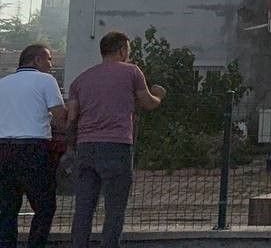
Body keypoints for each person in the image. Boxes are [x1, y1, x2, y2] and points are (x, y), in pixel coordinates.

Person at [66, 31, 166, 248]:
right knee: (115, 209)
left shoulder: (80, 80)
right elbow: (147, 103)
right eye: (127, 50)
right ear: (122, 50)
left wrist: (71, 148)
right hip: (116, 145)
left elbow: (72, 118)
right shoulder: (131, 72)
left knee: (83, 208)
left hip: (85, 146)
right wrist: (159, 94)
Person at [0, 44, 66, 248]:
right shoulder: (46, 80)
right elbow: (59, 117)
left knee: (7, 208)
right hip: (33, 149)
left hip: (3, 149)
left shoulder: (3, 83)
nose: (51, 65)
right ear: (37, 60)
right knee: (45, 206)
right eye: (48, 59)